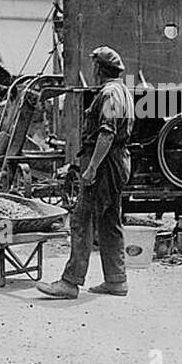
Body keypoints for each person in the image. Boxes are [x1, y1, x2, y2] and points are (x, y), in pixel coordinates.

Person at [37, 46, 135, 300]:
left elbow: (106, 132)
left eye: (94, 66)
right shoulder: (122, 90)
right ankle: (116, 280)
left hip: (104, 165)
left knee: (81, 219)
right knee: (110, 221)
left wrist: (91, 169)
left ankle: (70, 282)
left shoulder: (109, 93)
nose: (92, 70)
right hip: (118, 162)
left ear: (99, 69)